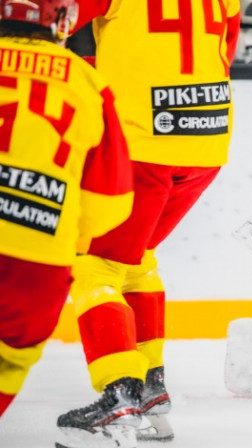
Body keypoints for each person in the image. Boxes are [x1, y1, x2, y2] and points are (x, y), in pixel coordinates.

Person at [55, 1, 240, 447]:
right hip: (207, 142)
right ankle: (151, 389)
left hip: (142, 143)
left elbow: (50, 24)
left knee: (94, 264)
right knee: (135, 259)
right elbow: (219, 53)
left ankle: (120, 394)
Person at [0, 0, 133, 420]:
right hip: (37, 265)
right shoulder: (88, 81)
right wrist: (61, 235)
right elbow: (109, 204)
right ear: (60, 21)